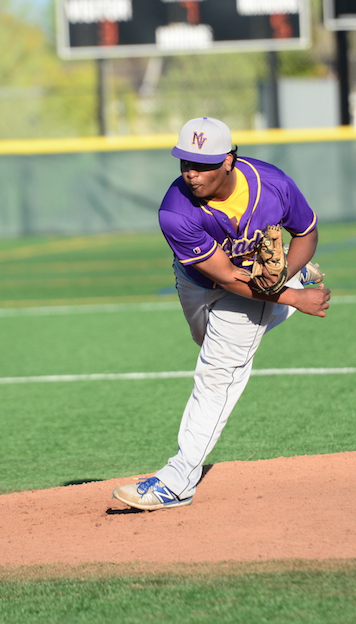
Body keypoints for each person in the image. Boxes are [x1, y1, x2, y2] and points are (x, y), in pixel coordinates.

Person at [112, 116, 331, 511]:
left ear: (229, 159)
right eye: (184, 163)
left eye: (203, 164)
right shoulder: (175, 211)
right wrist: (293, 297)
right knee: (205, 339)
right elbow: (228, 275)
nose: (191, 174)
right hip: (200, 281)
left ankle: (178, 480)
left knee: (218, 371)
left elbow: (308, 232)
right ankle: (292, 283)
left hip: (247, 292)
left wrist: (283, 279)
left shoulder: (273, 185)